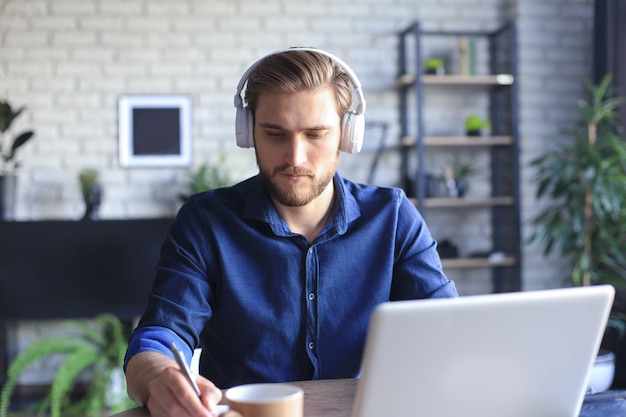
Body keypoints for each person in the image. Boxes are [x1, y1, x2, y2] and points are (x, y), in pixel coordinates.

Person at [124, 47, 458, 417]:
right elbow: (160, 335)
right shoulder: (205, 222)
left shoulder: (393, 217)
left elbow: (447, 331)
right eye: (276, 134)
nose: (295, 158)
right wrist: (161, 376)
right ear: (248, 131)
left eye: (315, 134)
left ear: (347, 134)